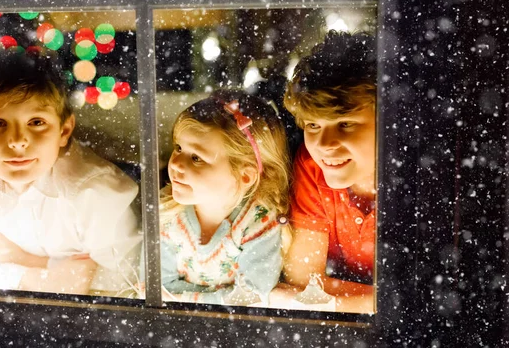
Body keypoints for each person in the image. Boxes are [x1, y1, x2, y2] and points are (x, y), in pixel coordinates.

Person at [0, 51, 141, 295]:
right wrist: (43, 276)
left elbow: (124, 283)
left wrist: (23, 260)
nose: (18, 141)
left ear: (64, 131)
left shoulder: (95, 194)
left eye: (36, 122)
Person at [157, 89, 290, 305]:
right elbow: (154, 287)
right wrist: (217, 299)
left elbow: (251, 297)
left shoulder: (258, 221)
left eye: (196, 158)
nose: (176, 164)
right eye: (178, 148)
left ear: (245, 176)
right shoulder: (168, 212)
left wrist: (182, 298)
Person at [280, 30, 376, 313]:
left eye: (345, 124)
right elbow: (305, 282)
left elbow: (416, 295)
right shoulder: (311, 167)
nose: (323, 145)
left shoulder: (413, 177)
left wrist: (344, 299)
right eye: (313, 126)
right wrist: (377, 300)